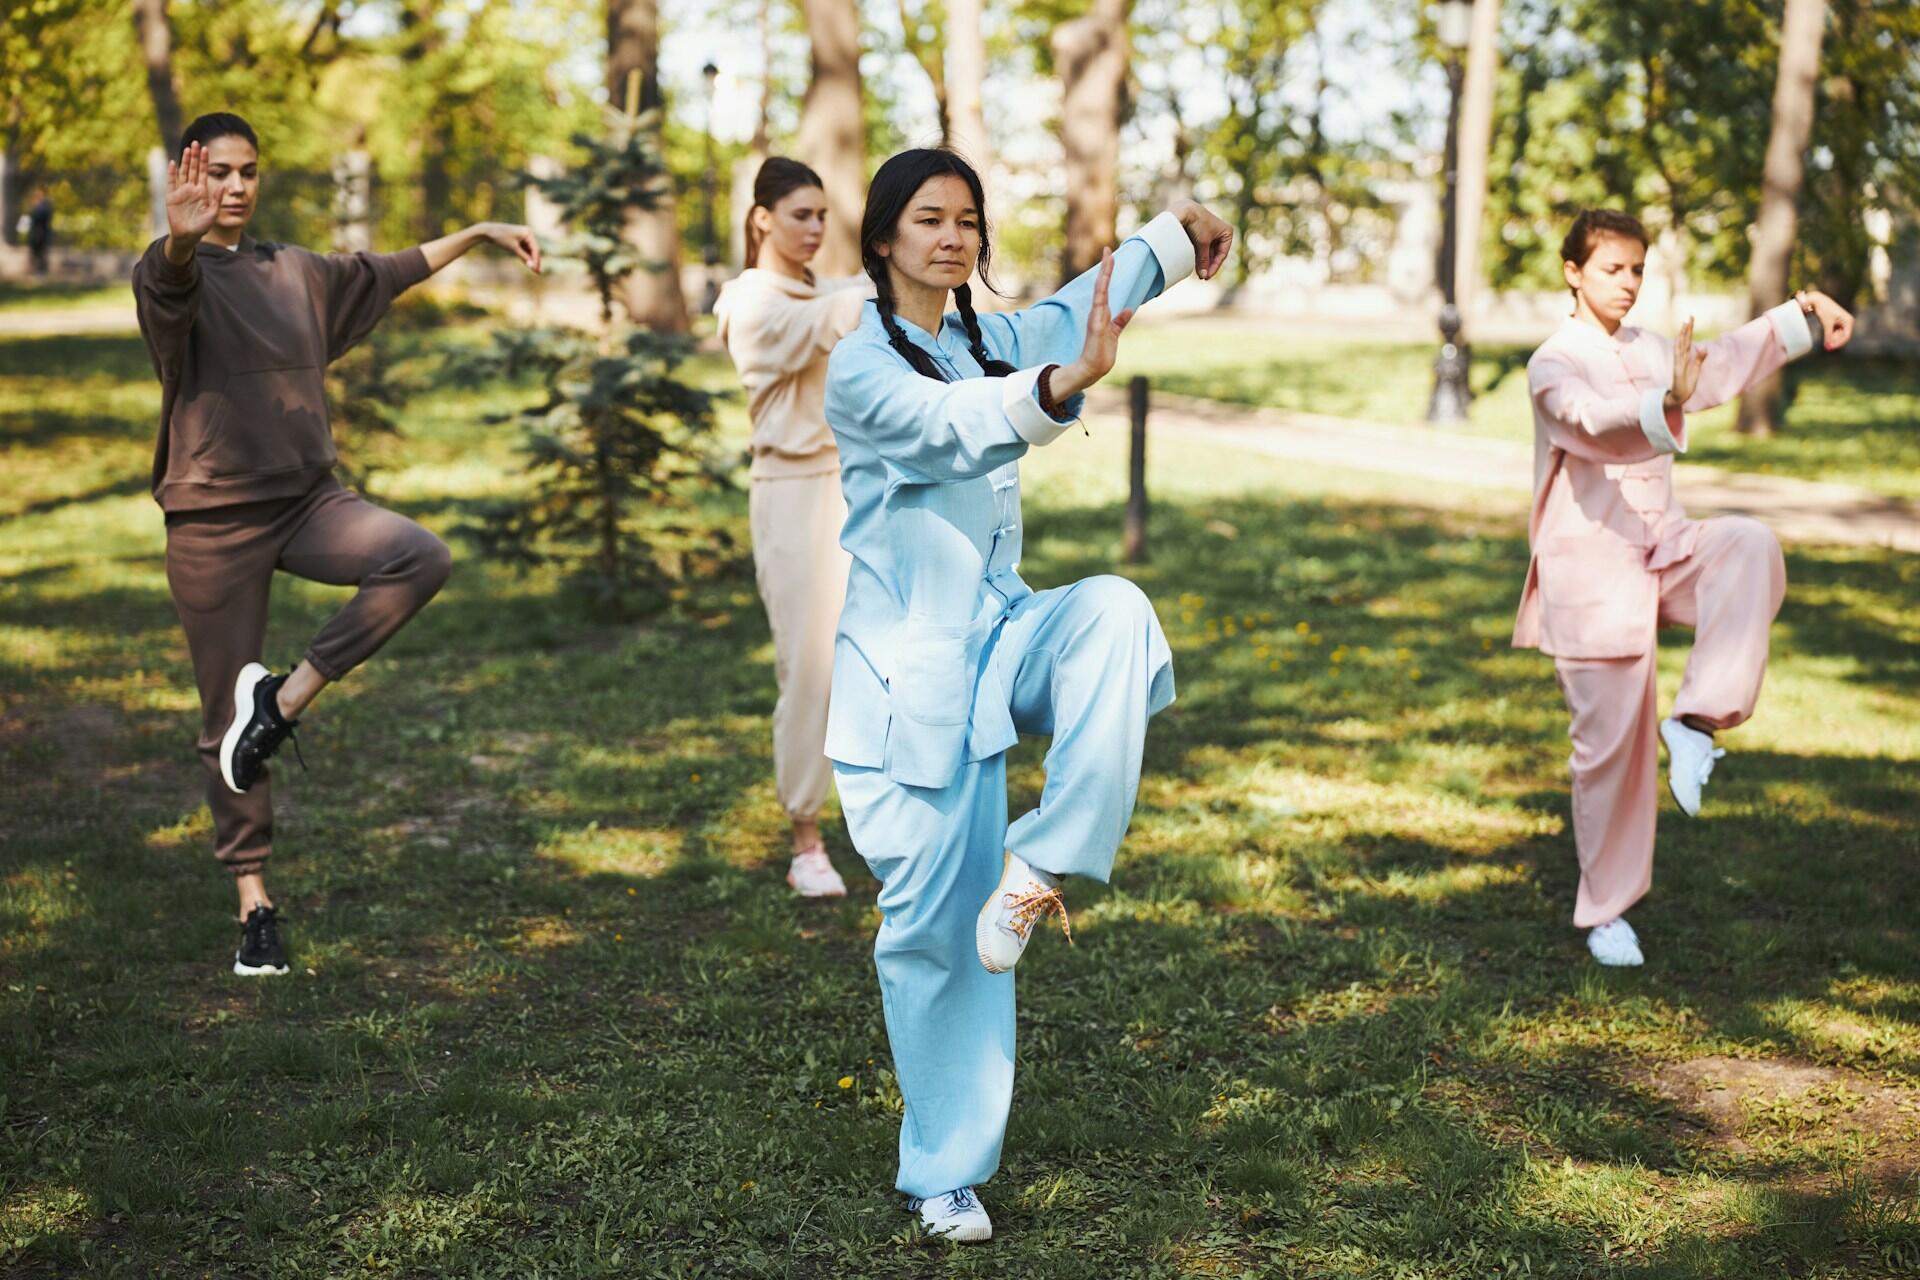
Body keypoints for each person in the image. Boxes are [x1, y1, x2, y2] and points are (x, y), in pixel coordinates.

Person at [822, 147, 1232, 1242]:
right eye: (927, 220)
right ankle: (942, 1172)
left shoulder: (980, 334)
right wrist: (1059, 391)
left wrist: (1173, 240)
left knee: (1115, 611)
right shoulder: (860, 365)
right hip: (908, 694)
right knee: (929, 937)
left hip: (1001, 637)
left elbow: (1061, 317)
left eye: (967, 220)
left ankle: (1041, 860)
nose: (952, 238)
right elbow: (952, 427)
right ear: (882, 241)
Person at [132, 112, 542, 977]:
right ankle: (255, 905)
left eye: (248, 171)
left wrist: (478, 232)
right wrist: (177, 244)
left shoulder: (296, 272)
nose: (235, 187)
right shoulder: (171, 270)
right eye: (219, 173)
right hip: (213, 519)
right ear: (189, 178)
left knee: (418, 557)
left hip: (310, 500)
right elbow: (168, 299)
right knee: (221, 729)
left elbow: (390, 270)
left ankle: (281, 704)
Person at [1512, 208, 1853, 968]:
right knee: (1609, 755)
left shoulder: (1649, 347)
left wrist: (1803, 317)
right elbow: (1592, 423)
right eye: (1612, 269)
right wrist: (1667, 403)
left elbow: (1726, 359)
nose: (1628, 284)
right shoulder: (1552, 363)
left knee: (1748, 544)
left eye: (1637, 269)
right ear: (1572, 272)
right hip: (1591, 576)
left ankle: (1697, 720)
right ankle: (1607, 913)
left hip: (1665, 550)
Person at [713, 158, 872, 898]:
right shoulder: (750, 302)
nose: (815, 229)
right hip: (791, 493)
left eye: (822, 217)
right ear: (762, 219)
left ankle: (886, 818)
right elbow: (830, 320)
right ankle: (806, 839)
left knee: (883, 654)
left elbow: (852, 299)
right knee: (809, 667)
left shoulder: (825, 288)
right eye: (801, 214)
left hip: (857, 487)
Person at [25, 187, 53, 275]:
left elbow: (42, 217)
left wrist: (36, 207)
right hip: (34, 234)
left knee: (42, 253)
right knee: (34, 253)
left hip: (42, 234)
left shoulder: (45, 207)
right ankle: (33, 270)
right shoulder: (35, 206)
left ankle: (41, 271)